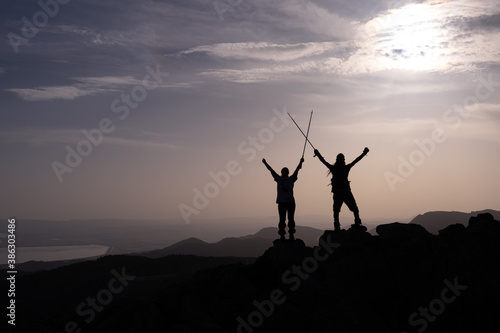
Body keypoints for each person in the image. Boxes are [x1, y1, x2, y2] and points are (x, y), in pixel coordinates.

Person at [314, 148, 369, 231]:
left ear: (337, 160)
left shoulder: (334, 168)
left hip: (337, 192)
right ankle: (357, 221)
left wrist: (317, 154)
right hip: (346, 192)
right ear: (343, 160)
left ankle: (336, 224)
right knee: (354, 208)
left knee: (336, 210)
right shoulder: (346, 168)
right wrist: (364, 153)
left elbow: (323, 161)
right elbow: (356, 160)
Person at [262, 157, 304, 241]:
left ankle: (284, 236)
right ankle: (289, 235)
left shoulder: (279, 179)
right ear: (287, 172)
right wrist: (300, 162)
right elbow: (297, 170)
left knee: (284, 219)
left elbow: (271, 170)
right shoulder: (290, 179)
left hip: (283, 202)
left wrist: (265, 163)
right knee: (288, 219)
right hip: (289, 202)